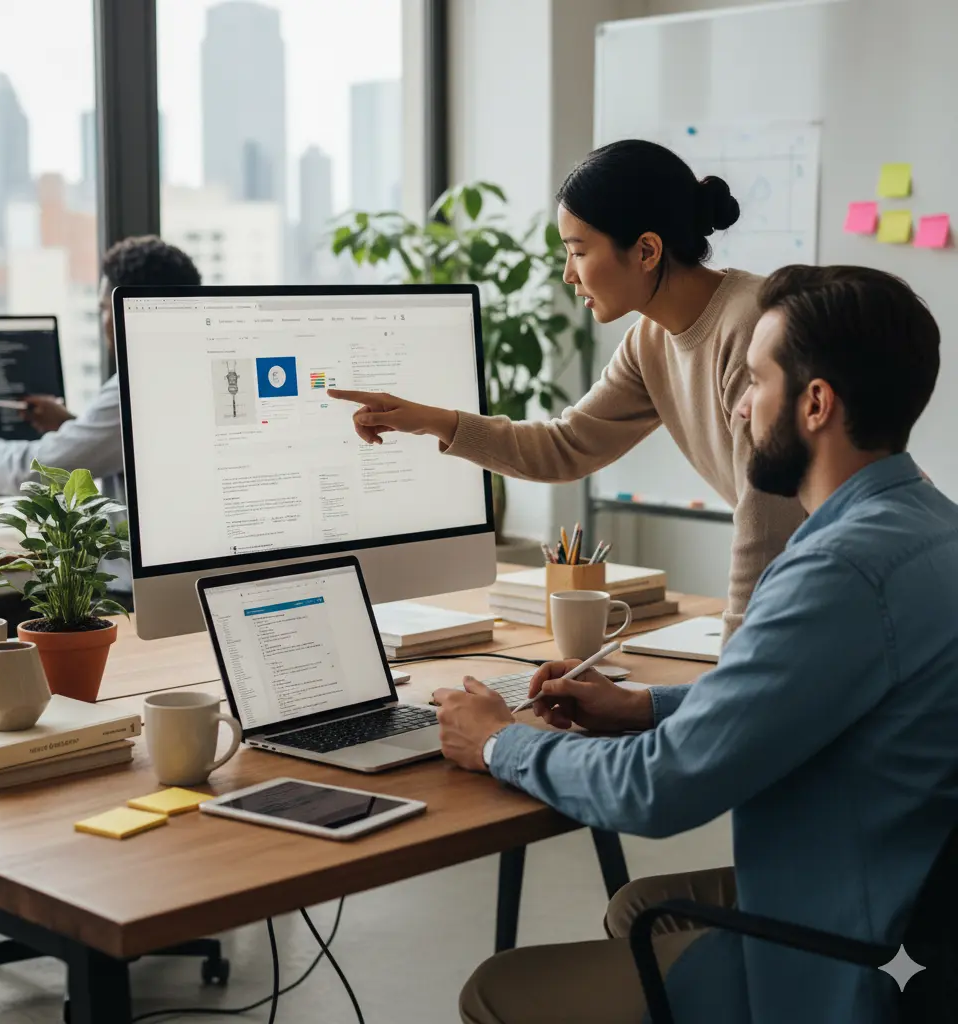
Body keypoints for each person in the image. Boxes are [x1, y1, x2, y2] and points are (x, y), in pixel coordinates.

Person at [431, 265, 956, 1024]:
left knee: (496, 989)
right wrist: (644, 706)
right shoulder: (930, 525)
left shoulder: (836, 569)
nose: (738, 408)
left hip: (840, 945)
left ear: (815, 404)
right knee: (636, 907)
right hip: (899, 882)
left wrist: (496, 742)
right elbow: (803, 693)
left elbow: (657, 790)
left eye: (756, 382)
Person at [330, 140, 806, 641]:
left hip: (831, 585)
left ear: (646, 250)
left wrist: (737, 662)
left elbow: (767, 527)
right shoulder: (649, 341)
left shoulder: (755, 327)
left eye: (578, 251)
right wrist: (431, 421)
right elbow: (567, 446)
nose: (568, 274)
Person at [0, 236, 200, 629]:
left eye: (103, 309)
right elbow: (134, 448)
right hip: (179, 586)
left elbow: (34, 470)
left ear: (126, 306)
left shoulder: (138, 381)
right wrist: (71, 425)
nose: (103, 322)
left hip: (132, 595)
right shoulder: (191, 367)